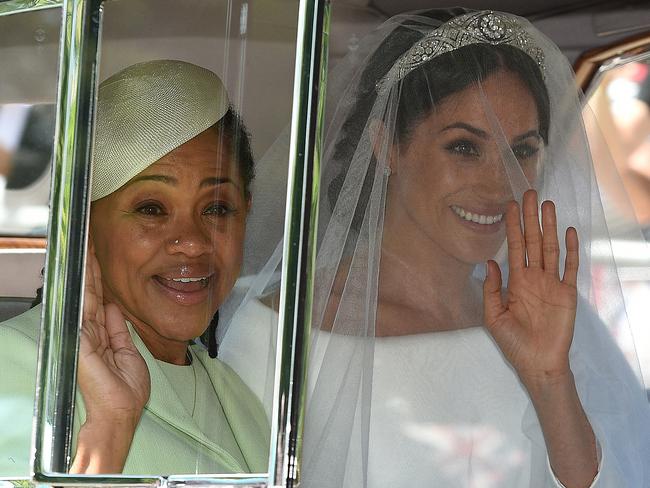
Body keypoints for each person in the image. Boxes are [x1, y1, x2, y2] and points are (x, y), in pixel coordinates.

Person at [301, 8, 650, 488]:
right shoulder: (290, 333)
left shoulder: (558, 323)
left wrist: (551, 381)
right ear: (386, 146)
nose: (499, 183)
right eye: (464, 147)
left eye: (522, 150)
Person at [0, 60, 269, 476]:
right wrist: (110, 428)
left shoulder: (239, 396)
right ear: (83, 226)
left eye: (217, 208)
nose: (194, 241)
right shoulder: (14, 365)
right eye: (152, 209)